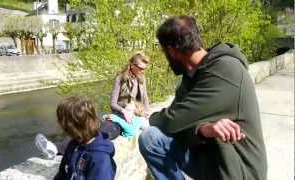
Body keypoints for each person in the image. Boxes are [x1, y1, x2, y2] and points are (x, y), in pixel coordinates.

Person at [138, 15, 267, 180]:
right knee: (150, 138)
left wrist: (153, 117)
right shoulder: (191, 77)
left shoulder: (225, 71)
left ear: (171, 51)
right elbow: (179, 126)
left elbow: (172, 120)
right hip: (210, 162)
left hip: (237, 171)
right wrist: (202, 130)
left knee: (155, 130)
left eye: (164, 52)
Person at [53, 96, 116, 180]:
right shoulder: (73, 144)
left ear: (72, 127)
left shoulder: (100, 159)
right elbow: (63, 172)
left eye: (62, 123)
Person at [110, 52, 150, 122]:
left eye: (144, 68)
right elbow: (113, 104)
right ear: (132, 65)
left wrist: (147, 111)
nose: (142, 71)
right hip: (121, 113)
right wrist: (124, 112)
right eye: (140, 68)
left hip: (136, 112)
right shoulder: (120, 78)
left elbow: (145, 97)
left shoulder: (142, 78)